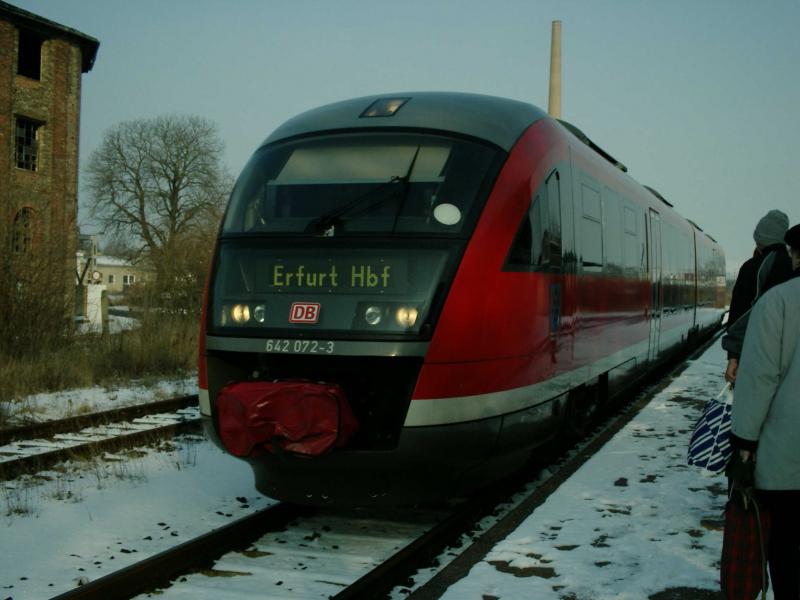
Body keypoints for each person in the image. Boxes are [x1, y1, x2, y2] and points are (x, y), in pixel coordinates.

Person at [729, 223, 800, 599]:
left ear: (796, 255)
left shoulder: (778, 301)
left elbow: (758, 379)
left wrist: (744, 441)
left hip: (787, 461)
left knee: (786, 551)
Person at [722, 209, 793, 384]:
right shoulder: (793, 266)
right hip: (788, 357)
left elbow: (740, 315)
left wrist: (733, 356)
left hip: (757, 352)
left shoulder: (752, 268)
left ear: (760, 238)